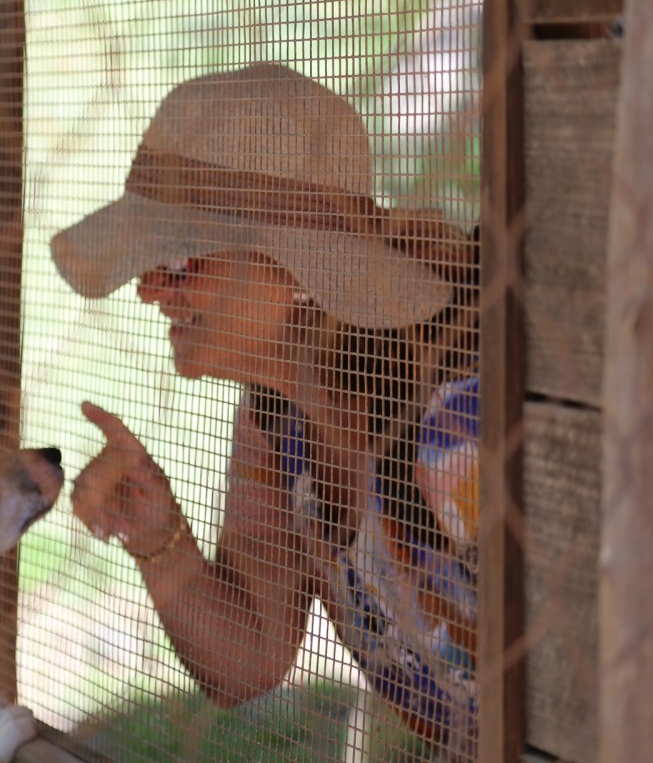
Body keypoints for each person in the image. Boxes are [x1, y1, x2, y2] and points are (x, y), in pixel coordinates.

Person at [51, 63, 480, 760]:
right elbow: (245, 664)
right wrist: (159, 539)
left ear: (298, 266)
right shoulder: (274, 418)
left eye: (179, 259)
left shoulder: (455, 418)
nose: (149, 290)